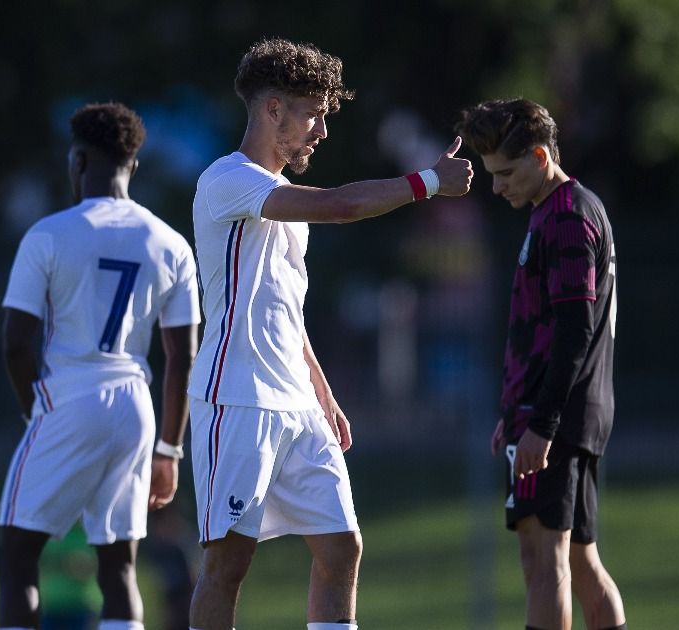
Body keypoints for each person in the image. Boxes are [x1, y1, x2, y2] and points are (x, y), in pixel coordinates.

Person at [186, 38, 472, 630]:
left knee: (342, 547)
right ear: (273, 109)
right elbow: (342, 206)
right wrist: (428, 182)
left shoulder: (280, 200)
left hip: (297, 401)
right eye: (313, 114)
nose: (321, 131)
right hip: (237, 397)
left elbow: (284, 310)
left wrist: (323, 391)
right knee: (228, 563)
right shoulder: (228, 179)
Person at [0, 102, 200, 630]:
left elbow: (16, 343)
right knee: (119, 566)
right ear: (134, 165)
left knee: (16, 558)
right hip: (135, 408)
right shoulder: (171, 243)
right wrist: (170, 450)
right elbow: (182, 356)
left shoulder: (48, 234)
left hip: (69, 398)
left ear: (79, 160)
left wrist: (34, 410)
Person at [455, 98, 626, 630]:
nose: (496, 186)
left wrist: (541, 423)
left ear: (538, 157)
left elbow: (575, 330)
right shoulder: (554, 211)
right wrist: (515, 411)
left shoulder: (568, 216)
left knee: (544, 562)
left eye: (506, 173)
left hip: (558, 416)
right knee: (579, 560)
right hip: (554, 411)